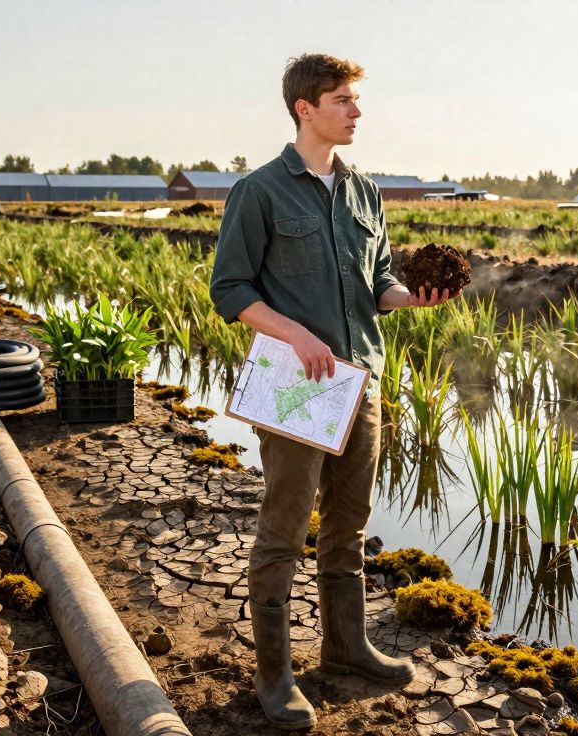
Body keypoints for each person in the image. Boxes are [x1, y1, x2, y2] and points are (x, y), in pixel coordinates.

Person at [208, 53, 458, 730]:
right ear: (305, 109)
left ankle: (347, 648)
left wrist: (413, 298)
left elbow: (378, 283)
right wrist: (294, 335)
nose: (356, 111)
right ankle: (274, 674)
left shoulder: (365, 193)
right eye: (343, 100)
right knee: (285, 533)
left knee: (347, 527)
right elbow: (229, 290)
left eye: (356, 99)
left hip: (362, 379)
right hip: (296, 385)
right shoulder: (259, 192)